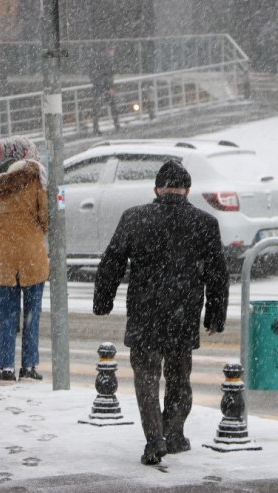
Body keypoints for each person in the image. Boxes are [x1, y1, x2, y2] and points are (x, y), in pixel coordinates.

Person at [93, 160, 229, 466]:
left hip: (145, 312)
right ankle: (174, 434)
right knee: (179, 377)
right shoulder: (204, 223)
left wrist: (103, 301)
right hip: (183, 313)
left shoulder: (135, 218)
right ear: (188, 191)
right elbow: (217, 274)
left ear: (156, 189)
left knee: (147, 378)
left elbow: (111, 263)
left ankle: (155, 440)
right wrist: (215, 315)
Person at [0, 136, 49, 382]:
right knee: (32, 314)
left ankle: (6, 367)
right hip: (32, 257)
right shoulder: (34, 179)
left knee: (6, 317)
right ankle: (28, 367)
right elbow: (45, 217)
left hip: (4, 259)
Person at [88, 45, 120, 136]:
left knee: (96, 109)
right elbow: (107, 75)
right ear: (111, 50)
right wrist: (109, 87)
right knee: (113, 106)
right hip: (104, 88)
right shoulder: (108, 60)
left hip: (97, 87)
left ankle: (96, 128)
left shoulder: (98, 59)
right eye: (113, 50)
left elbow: (94, 74)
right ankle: (117, 125)